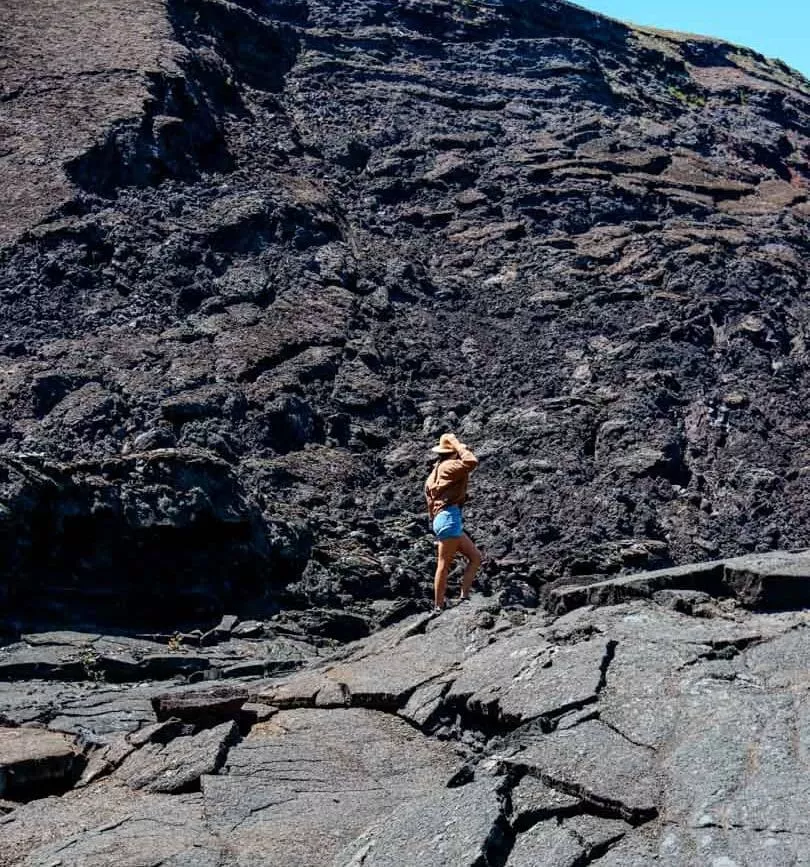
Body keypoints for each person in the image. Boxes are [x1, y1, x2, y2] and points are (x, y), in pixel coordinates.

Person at [424, 432, 482, 611]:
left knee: (475, 558)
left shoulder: (436, 471)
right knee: (443, 564)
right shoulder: (448, 466)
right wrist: (459, 445)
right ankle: (438, 606)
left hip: (444, 519)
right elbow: (471, 462)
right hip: (449, 518)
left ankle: (464, 596)